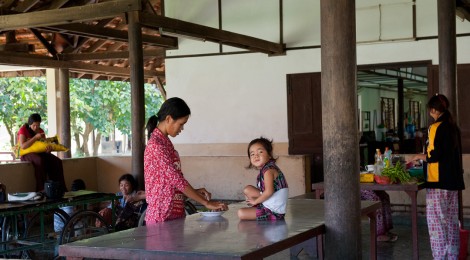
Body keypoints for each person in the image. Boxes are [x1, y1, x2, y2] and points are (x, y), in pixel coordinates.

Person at [144, 97, 227, 224]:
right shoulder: (156, 145)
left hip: (174, 213)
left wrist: (195, 192)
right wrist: (206, 203)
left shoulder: (166, 143)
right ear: (169, 119)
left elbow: (173, 183)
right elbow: (176, 179)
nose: (181, 129)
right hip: (162, 216)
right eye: (181, 124)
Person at [409, 93, 465, 259]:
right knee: (452, 222)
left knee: (437, 225)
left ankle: (440, 257)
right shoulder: (454, 127)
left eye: (430, 110)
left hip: (438, 183)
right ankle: (453, 256)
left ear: (433, 110)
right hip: (453, 183)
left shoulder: (435, 128)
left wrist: (419, 156)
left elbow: (434, 156)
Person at [238, 137, 289, 221]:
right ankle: (259, 206)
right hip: (270, 201)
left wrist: (255, 201)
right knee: (248, 189)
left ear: (269, 154)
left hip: (274, 211)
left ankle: (260, 208)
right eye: (252, 154)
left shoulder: (269, 170)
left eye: (260, 152)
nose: (256, 156)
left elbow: (269, 191)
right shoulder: (266, 168)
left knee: (241, 213)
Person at [17, 113, 67, 192]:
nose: (36, 127)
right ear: (30, 124)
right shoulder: (23, 130)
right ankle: (41, 188)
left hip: (40, 153)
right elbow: (23, 146)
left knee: (57, 161)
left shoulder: (40, 131)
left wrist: (48, 150)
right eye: (34, 125)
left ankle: (59, 188)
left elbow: (43, 145)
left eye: (38, 125)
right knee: (39, 160)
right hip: (26, 154)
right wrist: (35, 137)